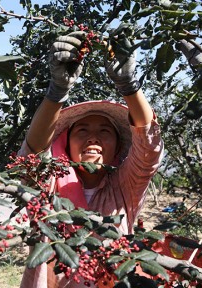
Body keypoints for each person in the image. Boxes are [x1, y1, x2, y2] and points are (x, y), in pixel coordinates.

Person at [19, 31, 164, 288]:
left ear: (119, 148)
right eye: (83, 130)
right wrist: (57, 91)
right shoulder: (51, 183)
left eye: (104, 131)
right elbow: (32, 153)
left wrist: (128, 85)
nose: (93, 138)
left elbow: (148, 147)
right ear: (65, 142)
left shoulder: (125, 188)